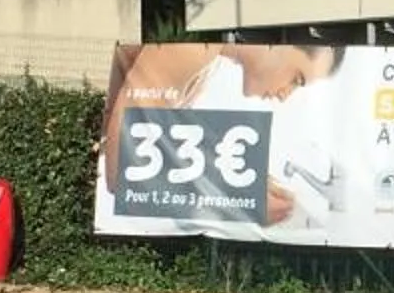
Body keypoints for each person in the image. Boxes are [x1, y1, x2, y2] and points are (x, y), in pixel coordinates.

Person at [98, 43, 341, 224]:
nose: (285, 95)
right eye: (296, 79)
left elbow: (150, 153)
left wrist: (234, 183)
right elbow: (123, 168)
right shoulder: (192, 52)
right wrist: (233, 198)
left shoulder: (205, 64)